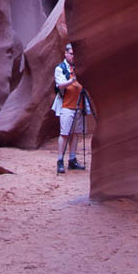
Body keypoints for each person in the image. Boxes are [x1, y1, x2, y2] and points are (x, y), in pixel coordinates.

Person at [52, 42, 88, 175]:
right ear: (66, 54)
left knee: (76, 133)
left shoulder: (78, 67)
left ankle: (72, 159)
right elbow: (60, 85)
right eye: (71, 54)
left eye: (75, 54)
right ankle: (60, 160)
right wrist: (72, 80)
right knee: (64, 133)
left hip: (79, 105)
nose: (73, 56)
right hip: (66, 105)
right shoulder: (60, 68)